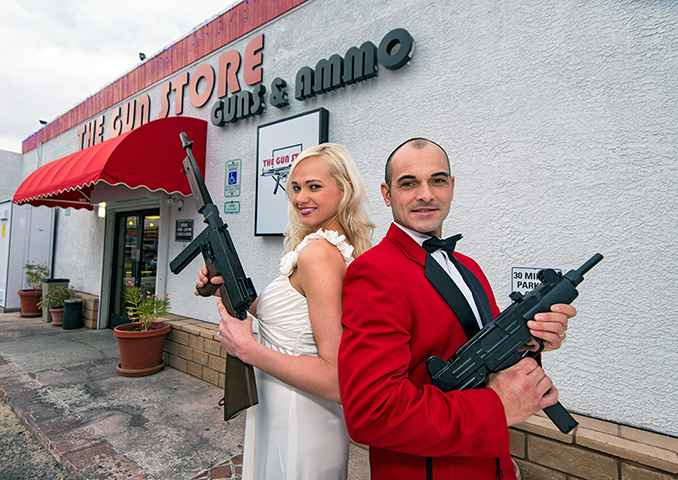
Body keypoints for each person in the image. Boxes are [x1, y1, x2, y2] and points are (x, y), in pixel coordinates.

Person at [337, 138, 576, 480]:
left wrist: (531, 341)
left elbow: (482, 356)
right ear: (387, 194)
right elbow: (372, 413)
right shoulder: (373, 271)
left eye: (437, 180)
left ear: (452, 187)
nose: (425, 194)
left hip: (491, 464)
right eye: (409, 183)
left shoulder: (468, 266)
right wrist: (496, 407)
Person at [197, 143, 374, 480]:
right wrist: (223, 287)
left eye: (314, 186)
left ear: (344, 189)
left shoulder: (318, 255)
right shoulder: (327, 248)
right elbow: (291, 319)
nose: (300, 197)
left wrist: (247, 349)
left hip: (298, 417)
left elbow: (335, 378)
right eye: (295, 187)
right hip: (285, 410)